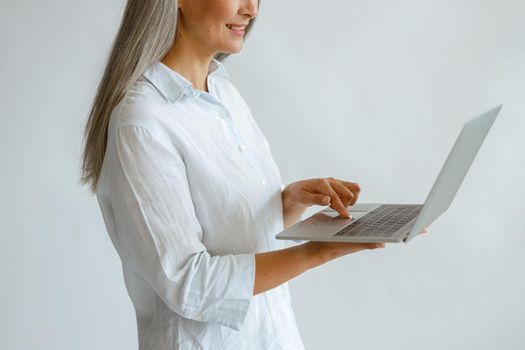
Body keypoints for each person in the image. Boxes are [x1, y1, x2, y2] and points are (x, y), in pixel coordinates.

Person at [80, 0, 429, 349]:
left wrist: (288, 202)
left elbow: (240, 240)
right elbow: (187, 282)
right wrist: (318, 251)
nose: (252, 9)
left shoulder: (223, 94)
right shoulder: (142, 123)